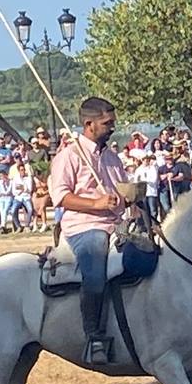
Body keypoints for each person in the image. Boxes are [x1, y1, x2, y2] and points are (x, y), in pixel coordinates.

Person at [48, 97, 130, 365]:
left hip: (117, 223)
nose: (112, 127)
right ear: (89, 124)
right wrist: (95, 203)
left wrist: (130, 200)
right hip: (85, 227)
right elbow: (60, 196)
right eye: (107, 123)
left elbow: (121, 190)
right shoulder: (69, 156)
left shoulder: (111, 157)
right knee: (95, 271)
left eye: (113, 122)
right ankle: (94, 336)